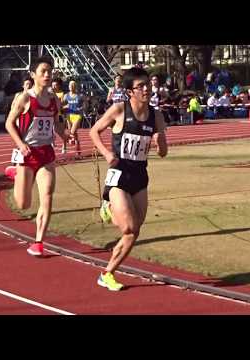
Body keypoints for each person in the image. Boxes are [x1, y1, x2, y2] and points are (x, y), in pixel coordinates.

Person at [89, 67, 168, 291]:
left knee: (134, 232)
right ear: (130, 91)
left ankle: (107, 273)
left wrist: (160, 140)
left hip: (140, 176)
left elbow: (163, 153)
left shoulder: (156, 115)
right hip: (119, 175)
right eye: (141, 86)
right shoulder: (119, 110)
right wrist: (106, 153)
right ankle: (109, 205)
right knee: (130, 228)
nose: (146, 89)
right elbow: (94, 131)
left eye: (148, 85)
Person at [5, 56, 68, 256]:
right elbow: (9, 124)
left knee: (47, 195)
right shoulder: (24, 98)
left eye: (50, 71)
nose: (48, 75)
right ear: (33, 75)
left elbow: (56, 123)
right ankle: (15, 173)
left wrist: (65, 135)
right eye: (43, 71)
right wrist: (21, 144)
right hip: (27, 153)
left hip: (46, 152)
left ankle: (39, 241)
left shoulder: (54, 100)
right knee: (23, 204)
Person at [63, 80, 83, 155]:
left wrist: (81, 108)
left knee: (72, 132)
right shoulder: (66, 96)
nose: (71, 86)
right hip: (69, 115)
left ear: (75, 86)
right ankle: (78, 146)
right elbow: (61, 105)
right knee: (73, 133)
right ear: (68, 86)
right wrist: (65, 106)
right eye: (70, 85)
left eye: (73, 85)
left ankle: (64, 146)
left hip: (77, 115)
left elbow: (85, 104)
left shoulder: (80, 96)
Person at [51, 77, 68, 153]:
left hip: (59, 115)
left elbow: (65, 105)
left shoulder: (62, 94)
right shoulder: (49, 93)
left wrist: (60, 106)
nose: (54, 87)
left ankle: (64, 144)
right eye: (53, 85)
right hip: (50, 115)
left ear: (59, 86)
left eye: (55, 85)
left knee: (59, 131)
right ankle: (52, 143)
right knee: (49, 130)